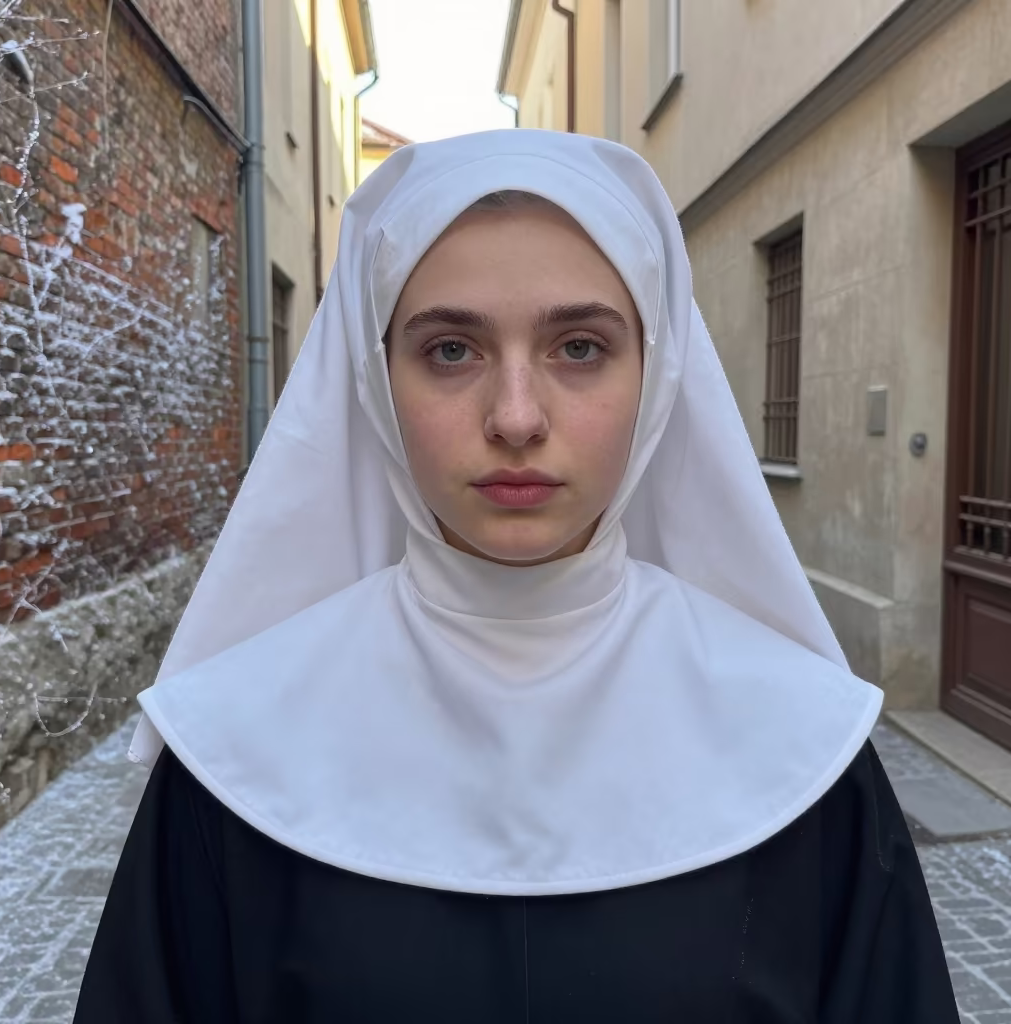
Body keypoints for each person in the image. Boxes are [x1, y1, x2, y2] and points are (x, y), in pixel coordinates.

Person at [73, 130, 958, 1022]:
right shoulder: (233, 753)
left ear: (656, 375)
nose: (517, 417)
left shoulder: (803, 750)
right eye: (451, 351)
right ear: (377, 383)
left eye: (579, 347)